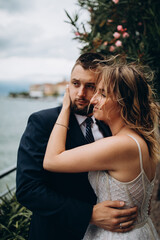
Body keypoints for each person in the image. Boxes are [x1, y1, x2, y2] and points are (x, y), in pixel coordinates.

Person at [16, 53, 137, 240]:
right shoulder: (43, 122)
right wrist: (89, 214)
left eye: (90, 86)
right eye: (75, 83)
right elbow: (27, 189)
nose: (80, 94)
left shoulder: (110, 124)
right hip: (57, 233)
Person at [43, 56, 160, 239]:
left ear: (123, 102)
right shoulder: (137, 139)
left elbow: (51, 160)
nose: (93, 99)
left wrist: (65, 107)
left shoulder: (120, 145)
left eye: (103, 94)